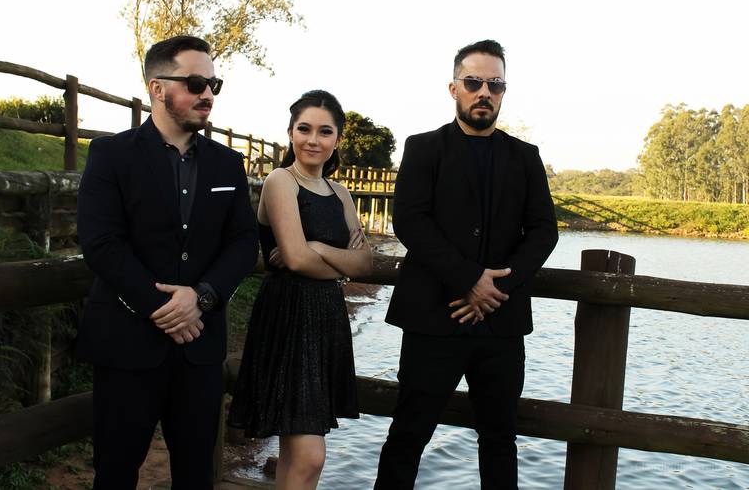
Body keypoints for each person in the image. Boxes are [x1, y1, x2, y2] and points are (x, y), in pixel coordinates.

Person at [375, 39, 558, 489]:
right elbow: (410, 221)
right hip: (432, 321)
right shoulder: (423, 148)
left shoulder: (526, 157)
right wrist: (469, 279)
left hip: (501, 324)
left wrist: (495, 290)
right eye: (473, 82)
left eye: (495, 84)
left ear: (503, 91)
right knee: (408, 435)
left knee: (500, 439)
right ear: (453, 88)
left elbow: (543, 232)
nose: (484, 93)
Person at [76, 35, 258, 489]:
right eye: (196, 83)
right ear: (157, 88)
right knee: (115, 474)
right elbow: (101, 243)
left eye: (214, 84)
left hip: (200, 349)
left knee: (197, 475)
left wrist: (202, 298)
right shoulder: (110, 155)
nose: (208, 94)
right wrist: (164, 308)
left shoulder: (228, 164)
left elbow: (242, 241)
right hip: (125, 345)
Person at [228, 90, 372, 490]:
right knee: (310, 456)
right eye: (304, 129)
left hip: (326, 320)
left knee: (296, 454)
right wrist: (338, 264)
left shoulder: (340, 193)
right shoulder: (281, 181)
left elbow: (365, 263)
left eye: (325, 131)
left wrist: (319, 248)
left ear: (338, 139)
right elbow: (294, 260)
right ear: (290, 132)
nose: (313, 139)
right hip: (288, 318)